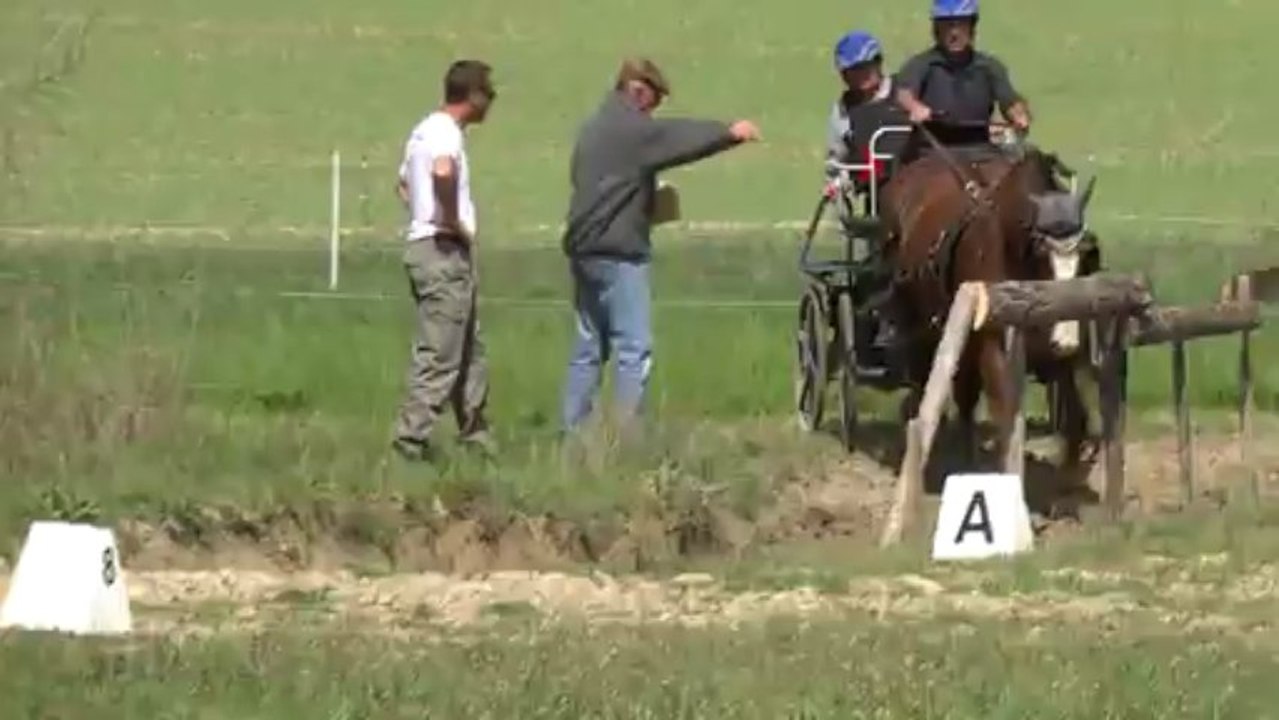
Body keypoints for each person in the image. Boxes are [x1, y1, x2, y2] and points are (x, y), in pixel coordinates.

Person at [559, 57, 761, 433]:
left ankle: (573, 434)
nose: (652, 113)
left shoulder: (591, 129)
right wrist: (730, 133)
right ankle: (624, 438)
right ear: (638, 91)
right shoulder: (631, 129)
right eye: (653, 102)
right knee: (633, 347)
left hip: (584, 248)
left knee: (588, 348)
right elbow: (676, 139)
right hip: (619, 251)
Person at [391, 59, 497, 461]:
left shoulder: (423, 130)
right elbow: (442, 170)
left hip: (427, 247)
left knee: (468, 349)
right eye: (488, 93)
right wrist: (449, 218)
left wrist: (421, 212)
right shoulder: (444, 133)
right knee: (441, 353)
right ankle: (409, 441)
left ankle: (477, 437)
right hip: (442, 250)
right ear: (472, 96)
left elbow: (403, 183)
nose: (492, 102)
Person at [894, 0, 1032, 136]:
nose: (954, 33)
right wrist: (914, 107)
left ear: (972, 27)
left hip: (981, 149)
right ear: (937, 29)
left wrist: (1018, 115)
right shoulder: (921, 64)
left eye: (961, 25)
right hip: (931, 148)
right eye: (947, 26)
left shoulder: (989, 66)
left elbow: (1009, 100)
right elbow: (904, 94)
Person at [824, 30, 908, 201]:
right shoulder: (844, 109)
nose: (858, 76)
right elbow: (837, 159)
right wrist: (837, 183)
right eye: (851, 71)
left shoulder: (906, 91)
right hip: (878, 191)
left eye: (863, 68)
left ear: (877, 63)